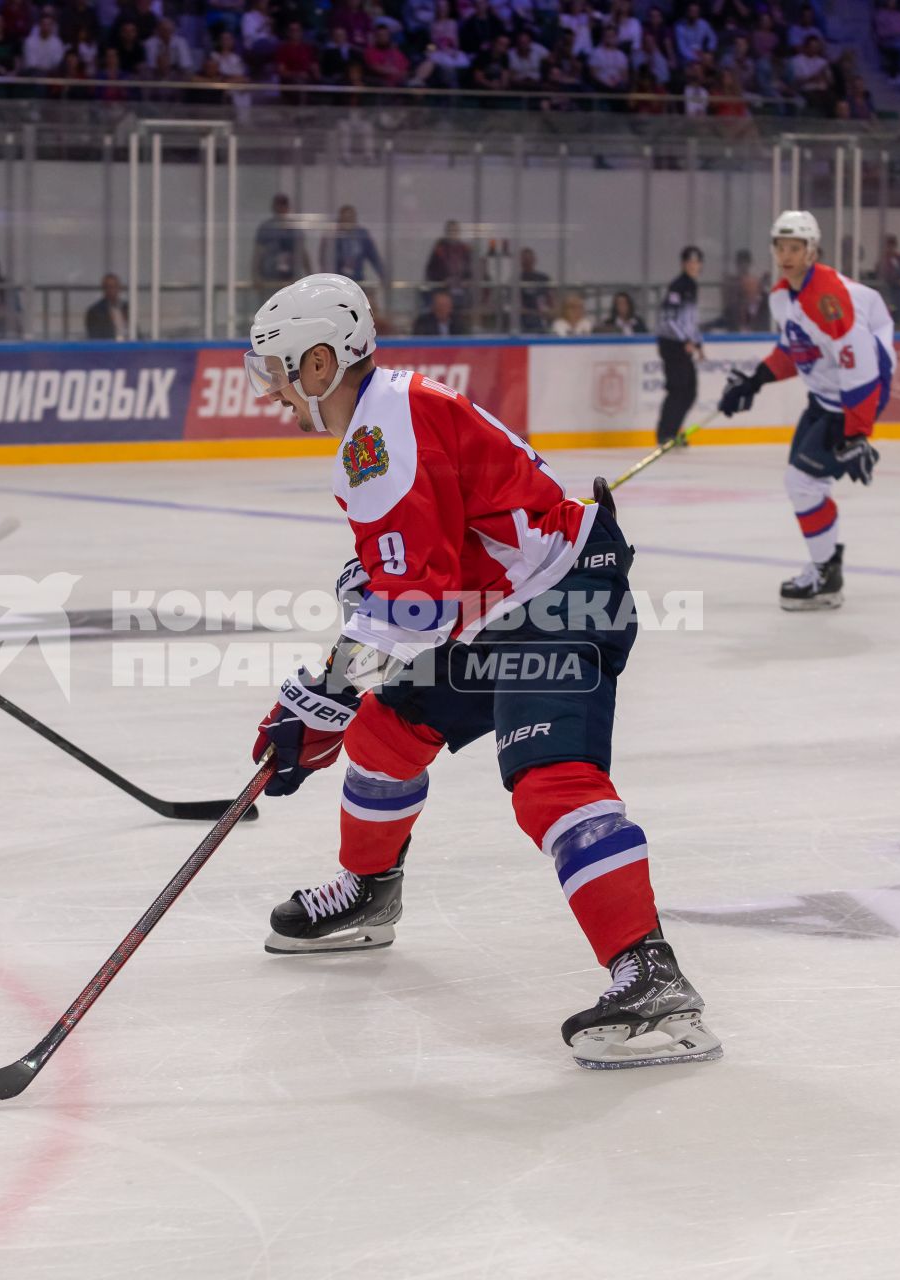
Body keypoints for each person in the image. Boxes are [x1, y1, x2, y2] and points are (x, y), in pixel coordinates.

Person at [240, 273, 723, 1070]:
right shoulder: (385, 419)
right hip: (498, 605)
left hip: (563, 597)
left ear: (321, 364)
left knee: (549, 778)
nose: (272, 390)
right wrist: (335, 696)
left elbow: (409, 608)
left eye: (279, 368)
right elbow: (416, 577)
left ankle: (651, 976)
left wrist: (316, 699)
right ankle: (369, 893)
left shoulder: (379, 440)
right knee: (387, 732)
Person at [717, 210, 895, 610]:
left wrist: (856, 433)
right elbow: (796, 350)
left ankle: (826, 576)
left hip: (852, 400)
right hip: (826, 399)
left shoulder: (827, 298)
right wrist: (755, 379)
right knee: (805, 484)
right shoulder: (783, 295)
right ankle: (825, 570)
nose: (786, 254)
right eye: (781, 246)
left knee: (803, 483)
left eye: (795, 247)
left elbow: (862, 367)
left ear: (812, 250)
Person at [655, 246, 705, 446]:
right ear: (684, 264)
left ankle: (673, 432)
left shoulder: (691, 285)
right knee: (677, 388)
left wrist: (698, 342)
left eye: (697, 262)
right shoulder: (678, 286)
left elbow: (689, 320)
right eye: (690, 262)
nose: (694, 266)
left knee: (690, 390)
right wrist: (685, 340)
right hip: (672, 344)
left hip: (682, 344)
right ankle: (665, 434)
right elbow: (669, 319)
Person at [252, 192, 310, 300]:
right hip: (271, 278)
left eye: (284, 205)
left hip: (292, 278)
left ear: (288, 207)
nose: (281, 208)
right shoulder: (266, 228)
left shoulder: (295, 228)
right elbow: (258, 253)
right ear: (274, 207)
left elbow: (303, 253)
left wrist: (309, 275)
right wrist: (256, 276)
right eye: (279, 205)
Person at [85, 272, 127, 339]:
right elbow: (95, 338)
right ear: (104, 289)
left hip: (129, 346)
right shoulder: (95, 312)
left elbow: (137, 333)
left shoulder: (127, 307)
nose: (112, 290)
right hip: (109, 347)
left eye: (115, 286)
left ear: (119, 288)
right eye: (108, 287)